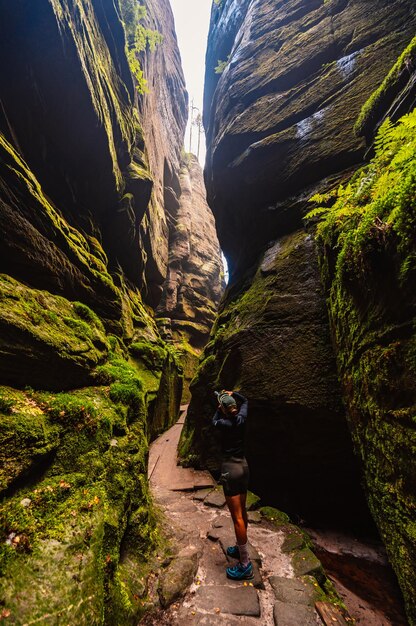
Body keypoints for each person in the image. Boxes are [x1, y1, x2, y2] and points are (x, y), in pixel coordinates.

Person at [212, 389, 253, 581]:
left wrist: (219, 408)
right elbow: (245, 401)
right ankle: (239, 546)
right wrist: (234, 393)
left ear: (223, 409)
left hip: (230, 469)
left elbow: (214, 420)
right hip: (243, 467)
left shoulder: (222, 423)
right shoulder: (242, 417)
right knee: (243, 511)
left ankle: (245, 564)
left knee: (236, 517)